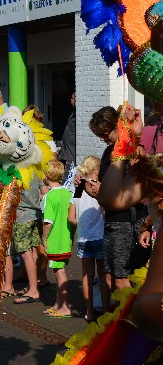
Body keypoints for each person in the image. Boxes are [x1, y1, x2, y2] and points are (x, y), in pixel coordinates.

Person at [89, 105, 146, 292]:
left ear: (117, 128)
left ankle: (129, 317)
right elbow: (104, 191)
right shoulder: (108, 153)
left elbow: (132, 186)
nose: (103, 139)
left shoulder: (132, 151)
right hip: (112, 222)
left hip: (127, 222)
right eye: (100, 135)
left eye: (106, 135)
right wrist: (90, 188)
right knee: (111, 275)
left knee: (124, 277)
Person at [68, 155, 107, 322]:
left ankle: (89, 312)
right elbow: (106, 208)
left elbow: (71, 218)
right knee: (104, 275)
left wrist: (83, 225)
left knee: (87, 276)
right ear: (96, 169)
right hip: (101, 235)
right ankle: (106, 312)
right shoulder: (99, 187)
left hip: (84, 238)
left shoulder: (77, 187)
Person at [41, 159, 74, 317]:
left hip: (55, 239)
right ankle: (58, 303)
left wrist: (44, 238)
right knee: (58, 271)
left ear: (46, 175)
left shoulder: (50, 196)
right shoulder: (67, 193)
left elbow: (48, 221)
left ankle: (65, 306)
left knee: (59, 272)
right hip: (66, 238)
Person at [12, 176, 44, 304]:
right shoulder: (35, 169)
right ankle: (32, 285)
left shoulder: (16, 172)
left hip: (22, 216)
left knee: (26, 253)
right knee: (33, 251)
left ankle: (33, 290)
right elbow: (45, 191)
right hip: (36, 214)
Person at [58, 90, 76, 182]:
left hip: (72, 158)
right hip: (66, 156)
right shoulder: (73, 113)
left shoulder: (78, 115)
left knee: (67, 183)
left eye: (73, 98)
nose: (71, 100)